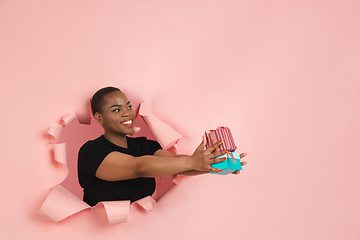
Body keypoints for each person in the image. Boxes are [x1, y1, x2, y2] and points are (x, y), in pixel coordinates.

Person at [78, 87, 247, 206]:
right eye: (116, 110)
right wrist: (192, 162)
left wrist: (215, 164)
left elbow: (176, 164)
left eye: (129, 107)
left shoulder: (145, 145)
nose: (127, 113)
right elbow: (139, 167)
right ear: (99, 118)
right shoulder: (91, 151)